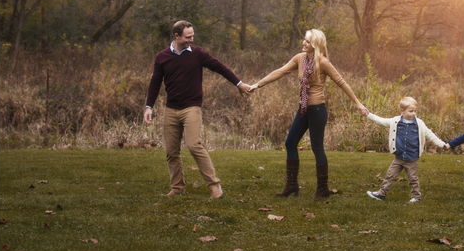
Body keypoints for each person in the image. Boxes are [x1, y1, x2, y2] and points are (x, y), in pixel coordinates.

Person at [249, 29, 368, 200]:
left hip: (318, 110)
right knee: (290, 143)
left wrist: (357, 103)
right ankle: (291, 185)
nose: (303, 43)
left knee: (317, 148)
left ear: (315, 45)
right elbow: (280, 72)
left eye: (307, 41)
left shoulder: (323, 62)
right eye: (304, 40)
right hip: (303, 109)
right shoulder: (299, 59)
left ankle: (323, 189)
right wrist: (257, 85)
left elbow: (341, 82)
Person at [143, 20, 252, 198]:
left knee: (194, 145)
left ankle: (214, 186)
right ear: (176, 36)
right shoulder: (162, 57)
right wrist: (149, 106)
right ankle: (177, 188)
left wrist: (239, 84)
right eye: (188, 37)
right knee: (171, 151)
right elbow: (155, 82)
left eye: (192, 36)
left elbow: (220, 67)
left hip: (191, 107)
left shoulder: (198, 54)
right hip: (171, 109)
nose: (191, 40)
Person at [362, 97, 448, 203]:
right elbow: (381, 121)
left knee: (413, 179)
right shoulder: (395, 121)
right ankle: (381, 194)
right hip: (399, 157)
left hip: (412, 158)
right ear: (402, 111)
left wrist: (442, 145)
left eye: (415, 111)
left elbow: (430, 135)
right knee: (390, 175)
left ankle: (416, 197)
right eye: (411, 111)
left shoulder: (419, 124)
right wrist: (368, 115)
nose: (413, 114)